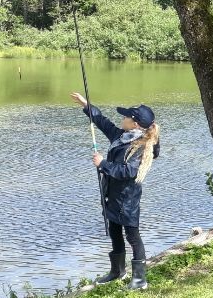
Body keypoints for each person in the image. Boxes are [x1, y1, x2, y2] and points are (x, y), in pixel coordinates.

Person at [71, 93, 160, 290]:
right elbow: (104, 123)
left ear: (135, 124)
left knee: (133, 236)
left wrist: (103, 163)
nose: (123, 118)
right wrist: (88, 106)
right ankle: (117, 271)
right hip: (112, 194)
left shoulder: (142, 146)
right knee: (114, 231)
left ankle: (139, 281)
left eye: (127, 116)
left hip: (127, 199)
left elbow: (129, 172)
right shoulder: (123, 137)